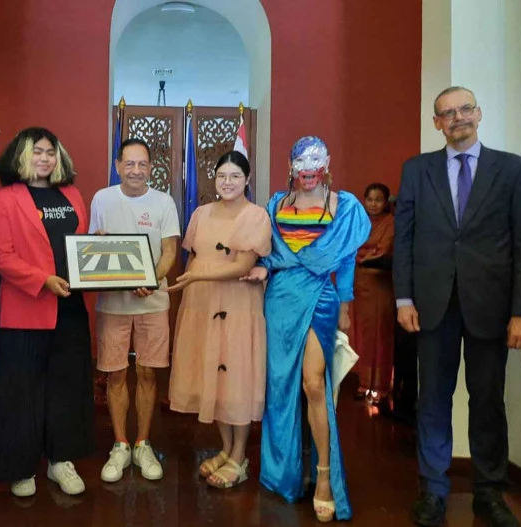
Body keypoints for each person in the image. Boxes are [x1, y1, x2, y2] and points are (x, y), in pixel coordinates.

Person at [394, 86, 521, 527]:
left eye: (465, 109)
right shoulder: (416, 170)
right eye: (447, 113)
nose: (458, 117)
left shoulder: (513, 170)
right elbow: (404, 239)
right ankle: (434, 490)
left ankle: (489, 492)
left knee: (488, 402)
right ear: (436, 123)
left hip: (492, 308)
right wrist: (404, 298)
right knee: (433, 400)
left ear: (479, 114)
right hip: (431, 306)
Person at [244, 136, 369, 522]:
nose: (309, 170)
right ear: (292, 165)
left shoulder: (344, 206)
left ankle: (325, 478)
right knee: (280, 387)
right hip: (280, 298)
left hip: (320, 298)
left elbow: (345, 262)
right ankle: (284, 474)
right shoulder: (276, 204)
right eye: (302, 163)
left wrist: (345, 310)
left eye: (316, 162)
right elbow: (267, 252)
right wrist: (264, 266)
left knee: (314, 384)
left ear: (327, 163)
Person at [0, 127, 94, 497]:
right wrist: (42, 280)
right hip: (25, 309)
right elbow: (1, 256)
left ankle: (60, 461)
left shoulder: (72, 195)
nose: (45, 158)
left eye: (51, 151)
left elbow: (82, 247)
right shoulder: (4, 200)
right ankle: (20, 467)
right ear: (20, 156)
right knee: (21, 391)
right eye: (37, 152)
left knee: (67, 387)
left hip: (70, 309)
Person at [167, 151, 270, 488]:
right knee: (213, 375)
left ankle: (240, 456)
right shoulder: (199, 214)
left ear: (247, 180)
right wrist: (193, 278)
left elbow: (242, 266)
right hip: (203, 304)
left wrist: (198, 276)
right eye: (222, 176)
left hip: (238, 304)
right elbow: (194, 256)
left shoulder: (256, 216)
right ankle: (226, 448)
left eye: (235, 177)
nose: (228, 182)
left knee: (236, 376)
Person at [88, 137, 179, 483]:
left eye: (142, 164)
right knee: (114, 374)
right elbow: (96, 244)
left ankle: (143, 442)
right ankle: (120, 444)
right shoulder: (102, 198)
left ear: (151, 168)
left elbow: (170, 251)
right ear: (117, 166)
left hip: (153, 302)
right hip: (112, 302)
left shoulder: (163, 202)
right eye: (129, 164)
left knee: (147, 373)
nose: (136, 170)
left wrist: (150, 280)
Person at [350, 183, 395, 405]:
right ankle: (364, 383)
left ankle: (381, 386)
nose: (374, 204)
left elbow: (385, 250)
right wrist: (364, 254)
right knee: (363, 332)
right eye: (370, 199)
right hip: (360, 282)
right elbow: (351, 247)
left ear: (386, 202)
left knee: (382, 334)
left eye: (378, 200)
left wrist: (366, 255)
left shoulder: (391, 223)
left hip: (382, 283)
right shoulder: (358, 221)